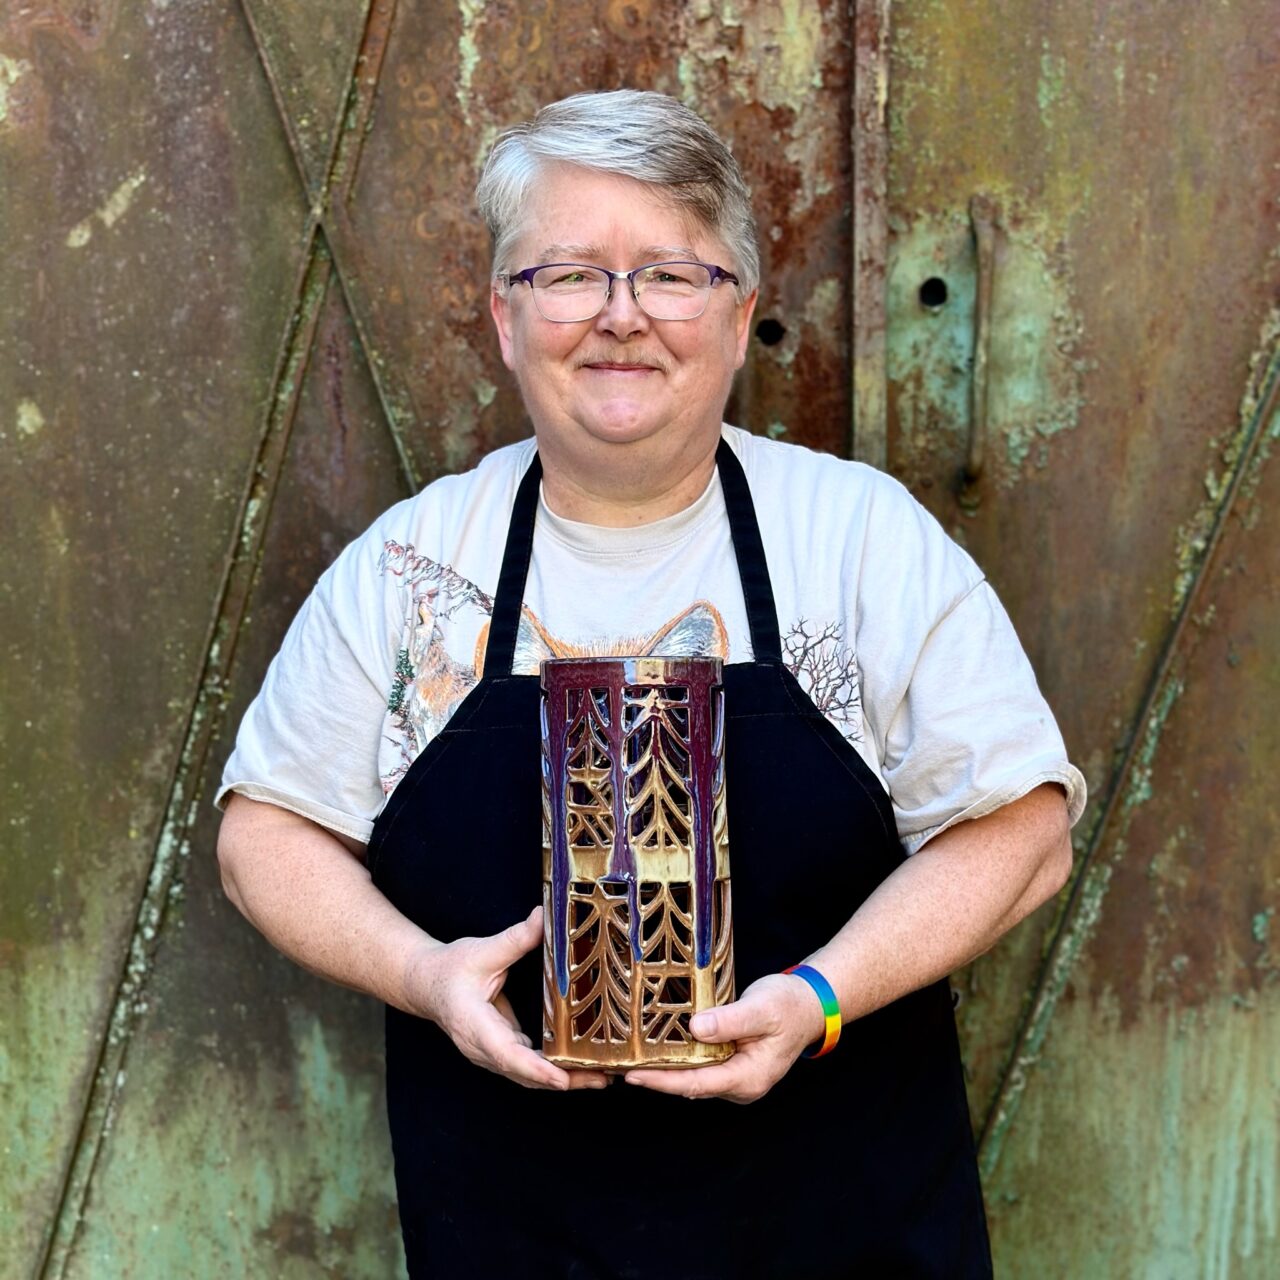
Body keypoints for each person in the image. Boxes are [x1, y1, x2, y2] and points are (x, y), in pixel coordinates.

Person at [216, 89, 1085, 1278]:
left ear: (736, 319)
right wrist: (421, 975)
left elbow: (1023, 831)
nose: (620, 318)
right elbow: (264, 832)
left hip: (849, 1235)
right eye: (567, 273)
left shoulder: (858, 539)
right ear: (503, 317)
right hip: (513, 1236)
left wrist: (822, 997)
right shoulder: (415, 568)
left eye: (673, 275)